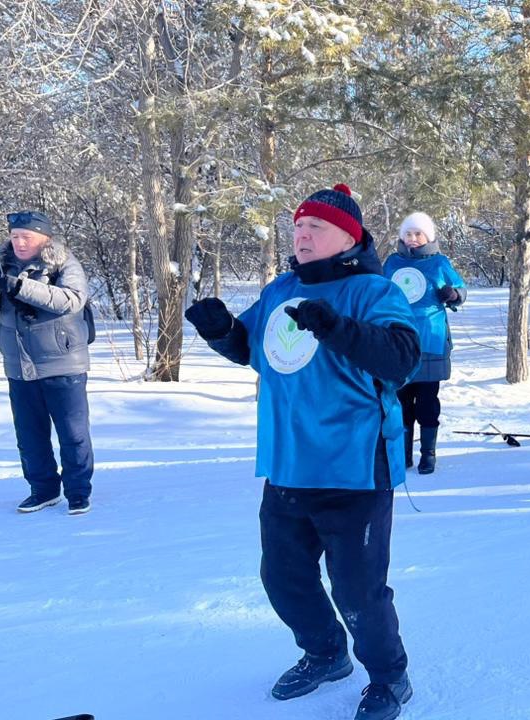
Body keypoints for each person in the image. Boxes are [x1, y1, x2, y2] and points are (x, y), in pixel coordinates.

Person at [185, 184, 418, 719]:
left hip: (355, 467)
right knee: (283, 578)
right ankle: (325, 654)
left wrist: (337, 328)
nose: (302, 234)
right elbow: (253, 350)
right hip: (288, 464)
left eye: (316, 227)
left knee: (359, 592)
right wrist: (221, 332)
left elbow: (400, 358)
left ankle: (389, 678)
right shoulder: (280, 287)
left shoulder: (374, 292)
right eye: (297, 226)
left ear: (348, 236)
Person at [0, 210, 96, 515]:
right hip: (19, 366)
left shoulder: (64, 263)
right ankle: (42, 491)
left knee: (73, 434)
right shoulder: (4, 265)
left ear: (45, 238)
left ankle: (78, 492)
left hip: (63, 363)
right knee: (29, 436)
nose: (20, 242)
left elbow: (70, 300)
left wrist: (15, 285)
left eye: (27, 236)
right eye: (15, 236)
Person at [383, 212, 466, 475]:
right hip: (399, 340)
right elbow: (379, 290)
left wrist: (452, 294)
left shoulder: (439, 262)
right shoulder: (392, 263)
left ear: (428, 236)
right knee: (402, 400)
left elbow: (460, 290)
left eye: (418, 233)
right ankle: (403, 452)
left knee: (428, 402)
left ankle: (428, 453)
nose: (413, 238)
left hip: (430, 338)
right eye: (408, 233)